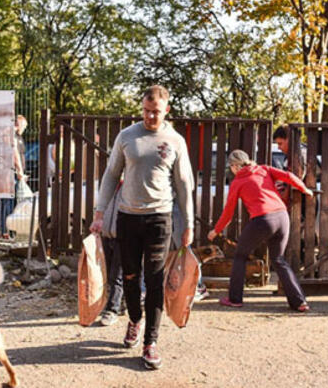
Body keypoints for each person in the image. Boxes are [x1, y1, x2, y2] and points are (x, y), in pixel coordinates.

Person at [90, 85, 194, 370]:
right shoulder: (127, 137)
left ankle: (151, 341)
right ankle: (134, 319)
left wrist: (188, 223)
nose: (151, 117)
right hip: (128, 217)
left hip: (160, 218)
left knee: (156, 279)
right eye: (147, 111)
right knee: (131, 277)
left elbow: (185, 185)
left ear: (166, 110)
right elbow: (111, 175)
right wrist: (99, 213)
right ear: (142, 108)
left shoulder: (174, 141)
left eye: (156, 112)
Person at [207, 149, 312, 311]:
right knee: (278, 259)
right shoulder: (263, 169)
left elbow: (228, 212)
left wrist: (216, 231)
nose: (232, 171)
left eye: (231, 168)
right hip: (282, 217)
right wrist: (305, 189)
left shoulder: (238, 182)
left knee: (240, 256)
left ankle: (235, 299)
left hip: (263, 220)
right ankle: (299, 302)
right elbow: (289, 176)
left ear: (235, 166)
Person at [0, 114, 28, 238]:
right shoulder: (11, 135)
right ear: (19, 123)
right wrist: (20, 171)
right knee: (7, 202)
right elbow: (14, 153)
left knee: (7, 202)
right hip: (10, 173)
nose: (24, 129)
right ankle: (5, 231)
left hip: (12, 173)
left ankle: (4, 230)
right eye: (24, 126)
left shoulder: (15, 136)